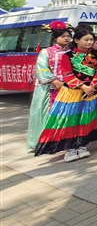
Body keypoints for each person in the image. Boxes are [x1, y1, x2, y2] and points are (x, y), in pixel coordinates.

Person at [35, 27, 97, 162]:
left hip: (92, 92)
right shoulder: (67, 56)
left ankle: (82, 145)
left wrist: (91, 87)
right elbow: (67, 75)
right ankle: (69, 148)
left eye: (91, 40)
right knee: (70, 119)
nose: (89, 42)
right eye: (86, 40)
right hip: (72, 92)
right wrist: (83, 87)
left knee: (86, 119)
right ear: (77, 40)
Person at [27, 23, 70, 152]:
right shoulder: (46, 52)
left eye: (68, 36)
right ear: (55, 38)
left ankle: (62, 140)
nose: (66, 38)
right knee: (44, 113)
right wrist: (54, 81)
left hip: (68, 87)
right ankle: (42, 141)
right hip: (48, 88)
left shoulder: (72, 52)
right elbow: (42, 69)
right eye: (63, 36)